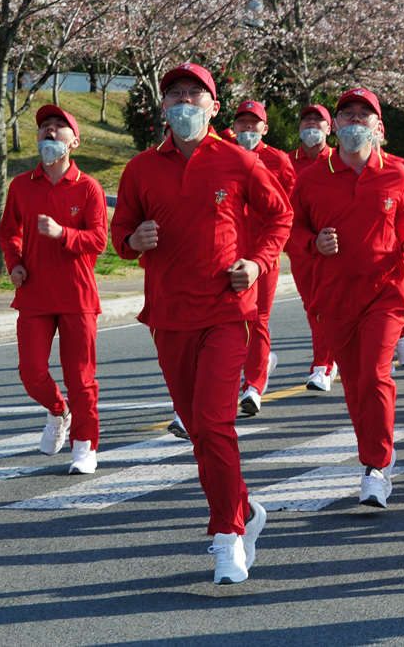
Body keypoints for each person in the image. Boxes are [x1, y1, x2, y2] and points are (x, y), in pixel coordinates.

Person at [112, 63, 292, 585]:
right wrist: (132, 241)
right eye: (175, 95)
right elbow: (120, 231)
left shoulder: (238, 161)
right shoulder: (142, 168)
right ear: (162, 107)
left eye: (195, 95)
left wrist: (256, 263)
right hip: (168, 314)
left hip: (225, 312)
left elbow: (279, 215)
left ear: (214, 108)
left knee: (215, 423)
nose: (184, 103)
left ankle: (228, 535)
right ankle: (245, 509)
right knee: (198, 431)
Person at [291, 88, 404, 508]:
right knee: (355, 386)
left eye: (363, 115)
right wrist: (314, 243)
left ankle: (376, 467)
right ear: (337, 123)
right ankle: (376, 447)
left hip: (385, 293)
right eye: (346, 114)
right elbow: (291, 231)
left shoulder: (397, 174)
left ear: (377, 127)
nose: (354, 122)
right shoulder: (311, 177)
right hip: (335, 296)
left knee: (376, 376)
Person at [1, 104, 108, 475]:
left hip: (77, 295)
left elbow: (99, 240)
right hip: (34, 294)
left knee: (81, 377)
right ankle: (60, 411)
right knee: (31, 373)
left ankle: (84, 446)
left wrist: (64, 234)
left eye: (58, 127)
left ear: (73, 141)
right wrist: (15, 262)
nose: (49, 130)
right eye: (44, 126)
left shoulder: (89, 187)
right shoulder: (20, 185)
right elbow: (8, 231)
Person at [229, 100, 296, 415]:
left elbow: (288, 210)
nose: (247, 128)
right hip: (228, 253)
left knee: (258, 319)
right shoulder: (222, 155)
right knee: (229, 322)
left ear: (264, 129)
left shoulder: (278, 161)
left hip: (264, 255)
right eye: (242, 122)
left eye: (253, 123)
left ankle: (253, 387)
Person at [289, 104, 338, 393]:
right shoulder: (286, 162)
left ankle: (323, 366)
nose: (311, 125)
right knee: (313, 307)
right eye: (306, 120)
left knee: (328, 306)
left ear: (329, 128)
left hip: (335, 247)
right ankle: (330, 358)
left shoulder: (338, 159)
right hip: (300, 247)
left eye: (318, 121)